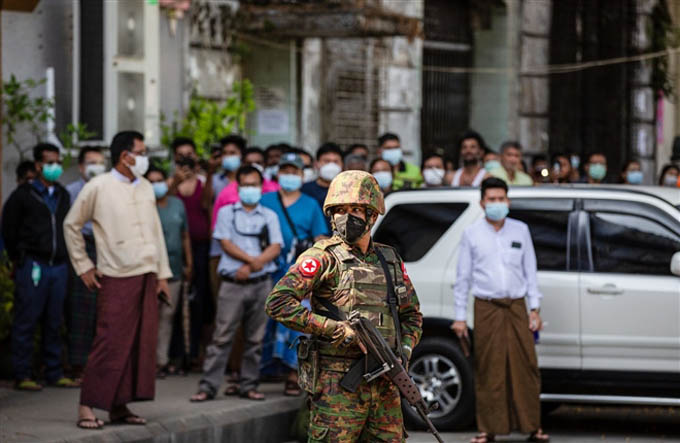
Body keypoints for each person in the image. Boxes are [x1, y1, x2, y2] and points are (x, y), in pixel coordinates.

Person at [265, 170, 423, 441]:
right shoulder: (323, 257)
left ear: (372, 215)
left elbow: (412, 316)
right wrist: (336, 329)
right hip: (338, 386)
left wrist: (404, 351)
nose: (345, 217)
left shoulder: (389, 259)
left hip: (386, 386)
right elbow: (278, 302)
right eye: (339, 210)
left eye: (355, 209)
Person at [64, 130, 172, 429]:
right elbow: (71, 224)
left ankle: (119, 406)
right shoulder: (99, 186)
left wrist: (162, 275)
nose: (145, 158)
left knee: (138, 343)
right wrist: (83, 265)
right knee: (109, 341)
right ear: (126, 156)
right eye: (141, 151)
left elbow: (156, 233)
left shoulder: (147, 187)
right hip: (115, 274)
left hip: (147, 272)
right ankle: (87, 405)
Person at [451, 177, 548, 443]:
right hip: (486, 307)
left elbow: (531, 271)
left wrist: (535, 308)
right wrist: (460, 317)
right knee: (489, 367)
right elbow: (463, 278)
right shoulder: (472, 233)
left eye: (501, 199)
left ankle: (532, 427)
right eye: (492, 199)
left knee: (526, 365)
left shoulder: (520, 230)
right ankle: (488, 429)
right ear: (482, 203)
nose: (497, 204)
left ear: (509, 201)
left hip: (517, 306)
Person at [190, 165, 283, 402]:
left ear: (261, 187)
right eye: (246, 185)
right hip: (232, 283)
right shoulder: (227, 213)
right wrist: (252, 261)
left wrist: (252, 266)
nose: (250, 189)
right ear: (238, 187)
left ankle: (248, 385)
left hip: (261, 283)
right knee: (222, 336)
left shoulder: (269, 215)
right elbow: (225, 243)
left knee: (255, 339)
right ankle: (208, 387)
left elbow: (275, 246)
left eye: (254, 184)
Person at [2, 143, 78, 391]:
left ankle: (53, 371)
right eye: (50, 162)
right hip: (33, 264)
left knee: (55, 320)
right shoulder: (23, 195)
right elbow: (9, 229)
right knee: (27, 318)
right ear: (38, 165)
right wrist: (19, 257)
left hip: (58, 266)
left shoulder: (63, 195)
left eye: (58, 162)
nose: (55, 167)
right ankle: (23, 373)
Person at [260, 153, 328, 395]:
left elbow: (321, 239)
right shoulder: (264, 200)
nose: (289, 176)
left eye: (294, 172)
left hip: (299, 273)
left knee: (297, 322)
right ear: (278, 174)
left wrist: (316, 275)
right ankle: (265, 368)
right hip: (266, 269)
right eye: (285, 171)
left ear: (302, 175)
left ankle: (293, 373)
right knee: (264, 321)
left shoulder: (310, 204)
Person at [168, 137, 212, 367]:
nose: (185, 159)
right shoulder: (169, 182)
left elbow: (206, 206)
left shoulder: (204, 182)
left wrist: (206, 173)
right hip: (173, 248)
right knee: (173, 303)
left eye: (189, 154)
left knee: (200, 301)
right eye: (181, 155)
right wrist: (175, 181)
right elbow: (163, 202)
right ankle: (175, 353)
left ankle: (196, 352)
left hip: (200, 247)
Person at [65, 146, 108, 380]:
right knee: (81, 309)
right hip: (82, 248)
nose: (96, 167)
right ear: (81, 167)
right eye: (91, 162)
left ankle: (99, 364)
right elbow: (69, 227)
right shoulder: (70, 192)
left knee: (104, 310)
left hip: (106, 250)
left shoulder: (110, 190)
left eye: (100, 162)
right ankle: (78, 365)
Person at [146, 166, 193, 377]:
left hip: (174, 269)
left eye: (159, 179)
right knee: (149, 317)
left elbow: (185, 235)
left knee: (167, 316)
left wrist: (189, 262)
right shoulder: (144, 206)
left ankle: (160, 362)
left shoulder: (177, 204)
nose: (156, 184)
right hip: (149, 271)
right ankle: (145, 363)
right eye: (151, 180)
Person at [301, 142, 344, 230]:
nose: (331, 165)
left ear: (342, 165)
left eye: (336, 162)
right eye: (326, 161)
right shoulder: (305, 190)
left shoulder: (348, 191)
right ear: (316, 164)